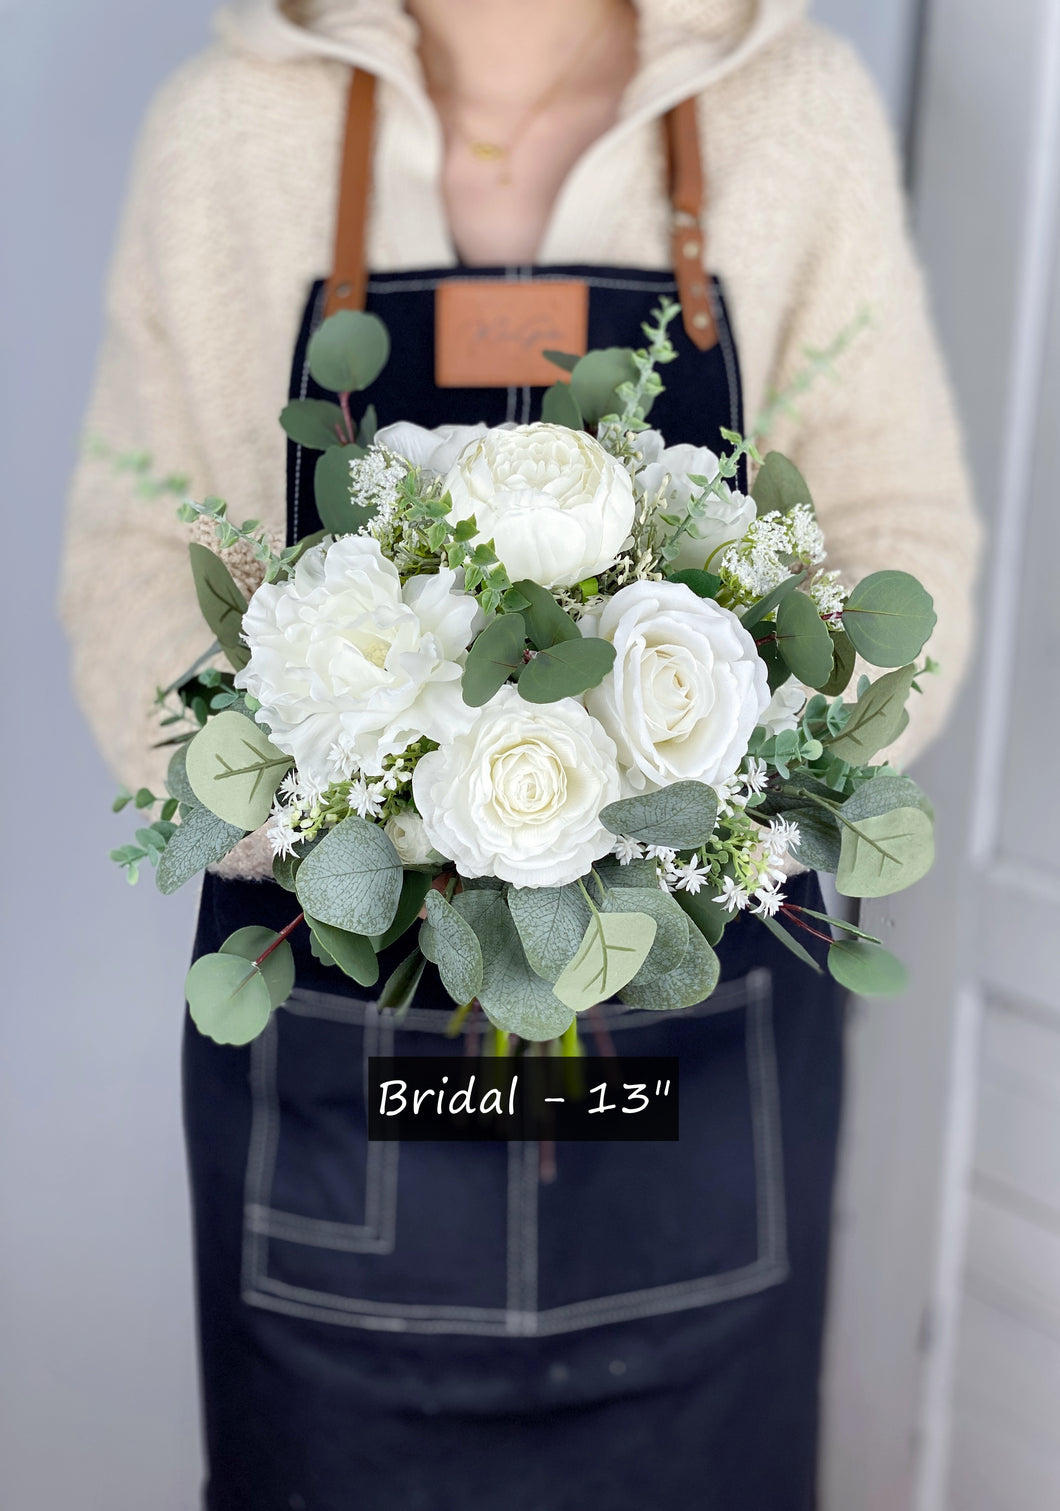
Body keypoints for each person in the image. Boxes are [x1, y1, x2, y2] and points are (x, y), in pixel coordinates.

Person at [60, 1, 982, 1507]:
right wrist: (378, 820)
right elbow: (130, 562)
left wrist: (675, 801)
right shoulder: (226, 126)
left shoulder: (791, 110)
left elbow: (903, 535)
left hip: (700, 1050)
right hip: (329, 1058)